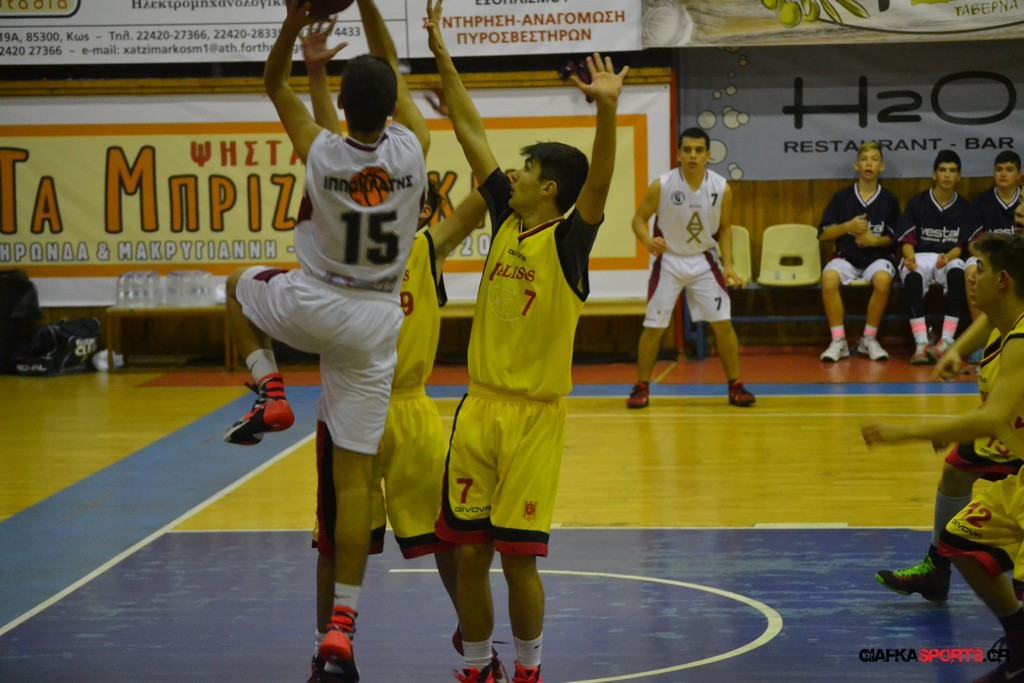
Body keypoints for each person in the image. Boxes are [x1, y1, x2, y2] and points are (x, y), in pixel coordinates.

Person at [223, 0, 429, 680]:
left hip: (315, 303)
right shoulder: (413, 150)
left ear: (342, 104)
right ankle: (343, 624)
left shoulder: (321, 150)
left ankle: (270, 388)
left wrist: (293, 28)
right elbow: (388, 71)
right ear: (392, 108)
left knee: (237, 285)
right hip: (375, 323)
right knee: (353, 479)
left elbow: (271, 83)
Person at [425, 1, 628, 681]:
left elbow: (600, 181)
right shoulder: (505, 219)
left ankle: (530, 668)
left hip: (535, 419)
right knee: (468, 553)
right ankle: (476, 664)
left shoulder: (568, 242)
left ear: (549, 188)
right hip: (478, 408)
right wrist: (443, 55)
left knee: (517, 559)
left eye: (527, 169)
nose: (512, 175)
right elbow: (469, 129)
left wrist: (607, 111)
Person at [297, 13, 499, 683]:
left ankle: (477, 649)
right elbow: (346, 136)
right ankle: (330, 652)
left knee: (445, 540)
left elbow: (486, 192)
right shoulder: (349, 243)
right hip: (359, 403)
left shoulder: (426, 247)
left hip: (407, 409)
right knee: (335, 545)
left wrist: (320, 71)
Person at [863, 233, 1024, 683]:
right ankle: (1018, 641)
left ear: (1003, 280)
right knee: (959, 539)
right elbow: (991, 326)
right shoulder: (1007, 322)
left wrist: (906, 431)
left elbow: (992, 418)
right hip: (1017, 464)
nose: (971, 277)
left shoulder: (1021, 338)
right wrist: (957, 351)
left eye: (980, 270)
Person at [625, 127, 755, 409]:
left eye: (698, 150)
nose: (693, 155)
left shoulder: (721, 188)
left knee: (723, 323)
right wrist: (647, 240)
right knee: (654, 325)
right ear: (678, 154)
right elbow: (638, 219)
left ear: (708, 155)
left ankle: (735, 385)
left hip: (704, 260)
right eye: (687, 150)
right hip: (669, 260)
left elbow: (725, 228)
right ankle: (641, 386)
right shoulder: (662, 185)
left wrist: (729, 265)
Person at [817, 141, 901, 362]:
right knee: (828, 279)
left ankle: (868, 339)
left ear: (881, 166)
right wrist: (848, 227)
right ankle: (838, 341)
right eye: (864, 160)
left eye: (874, 160)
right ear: (856, 166)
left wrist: (874, 240)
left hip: (877, 257)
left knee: (883, 280)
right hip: (846, 256)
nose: (869, 164)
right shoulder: (842, 197)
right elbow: (823, 234)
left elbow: (895, 238)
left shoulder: (889, 200)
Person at [897, 149, 971, 364]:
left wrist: (947, 256)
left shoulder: (964, 206)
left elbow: (961, 245)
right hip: (920, 255)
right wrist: (910, 258)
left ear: (959, 176)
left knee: (958, 271)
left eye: (952, 171)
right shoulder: (917, 202)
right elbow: (907, 241)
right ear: (934, 174)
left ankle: (947, 339)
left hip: (948, 256)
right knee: (912, 275)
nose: (947, 175)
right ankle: (921, 343)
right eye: (942, 170)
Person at [963, 151, 1023, 322]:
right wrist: (994, 261)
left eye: (1009, 169)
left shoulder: (1021, 205)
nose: (1003, 174)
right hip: (989, 259)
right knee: (972, 268)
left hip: (1018, 258)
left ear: (1018, 175)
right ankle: (983, 331)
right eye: (999, 169)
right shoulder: (981, 202)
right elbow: (973, 244)